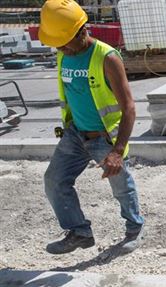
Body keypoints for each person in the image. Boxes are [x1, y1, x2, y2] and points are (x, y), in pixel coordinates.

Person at [39, 0, 144, 255]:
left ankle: (134, 229)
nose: (61, 48)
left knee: (121, 186)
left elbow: (129, 107)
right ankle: (80, 232)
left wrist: (117, 151)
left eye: (64, 42)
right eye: (57, 44)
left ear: (81, 31)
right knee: (54, 180)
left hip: (104, 137)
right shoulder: (64, 55)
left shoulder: (107, 57)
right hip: (76, 133)